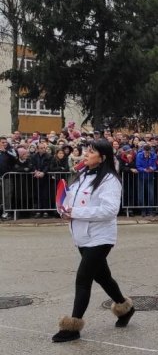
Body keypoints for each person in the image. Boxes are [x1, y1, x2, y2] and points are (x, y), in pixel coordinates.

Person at [52, 139, 134, 343]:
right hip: (81, 236)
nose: (86, 154)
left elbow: (110, 210)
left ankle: (72, 326)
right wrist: (64, 210)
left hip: (100, 237)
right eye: (86, 150)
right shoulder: (82, 175)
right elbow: (68, 199)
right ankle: (124, 308)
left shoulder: (109, 180)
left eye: (91, 151)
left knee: (83, 278)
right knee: (103, 277)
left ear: (102, 157)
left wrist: (76, 212)